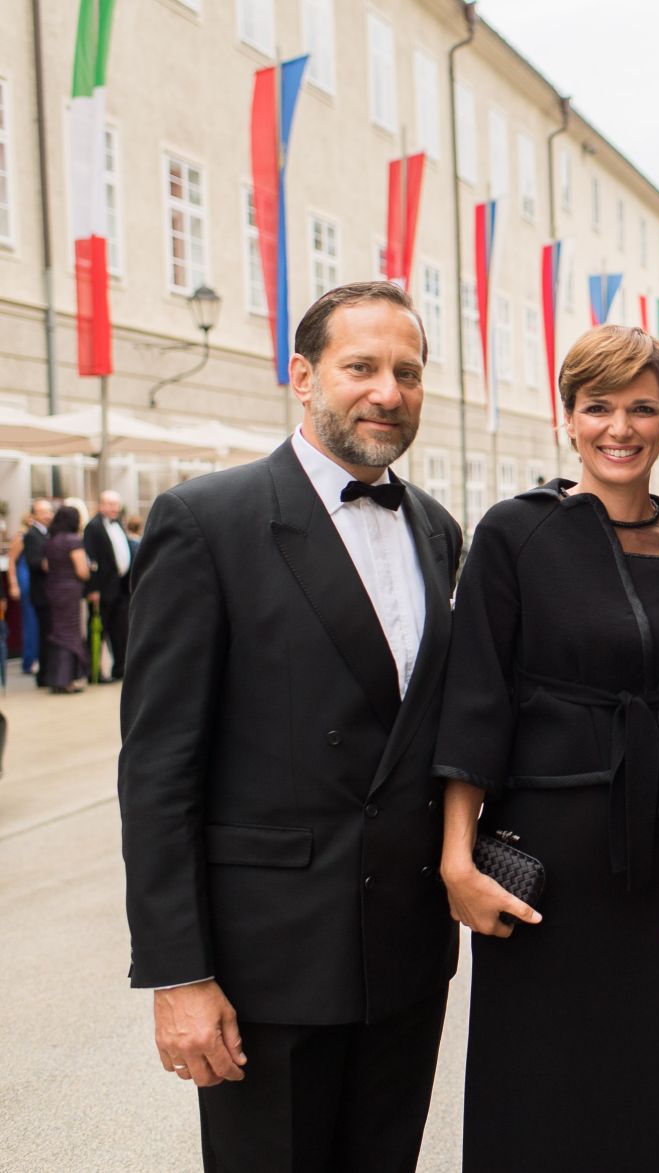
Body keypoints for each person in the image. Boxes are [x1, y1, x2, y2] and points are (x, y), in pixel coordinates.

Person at [118, 281, 463, 1173]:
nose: (388, 391)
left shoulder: (437, 530)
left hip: (404, 956)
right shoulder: (206, 521)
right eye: (362, 367)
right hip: (266, 968)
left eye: (408, 371)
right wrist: (179, 976)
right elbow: (158, 768)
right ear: (303, 376)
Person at [434, 325, 659, 1172]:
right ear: (567, 418)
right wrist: (457, 859)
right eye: (598, 406)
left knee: (656, 1084)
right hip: (542, 856)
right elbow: (474, 696)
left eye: (641, 408)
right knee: (536, 1088)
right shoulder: (515, 533)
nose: (620, 427)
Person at [40, 505, 92, 694]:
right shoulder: (73, 540)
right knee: (70, 634)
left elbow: (46, 566)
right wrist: (89, 569)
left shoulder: (50, 541)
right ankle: (66, 679)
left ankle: (56, 678)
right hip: (70, 591)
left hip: (53, 589)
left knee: (58, 633)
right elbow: (81, 571)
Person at [83, 489, 133, 681]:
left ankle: (120, 668)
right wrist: (93, 589)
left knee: (121, 629)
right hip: (102, 588)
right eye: (110, 504)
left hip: (120, 586)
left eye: (116, 505)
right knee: (98, 629)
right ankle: (93, 671)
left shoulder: (119, 524)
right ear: (101, 505)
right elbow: (90, 560)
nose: (114, 508)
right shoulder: (93, 527)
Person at [18, 498, 53, 682]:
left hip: (49, 591)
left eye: (49, 511)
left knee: (48, 634)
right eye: (43, 512)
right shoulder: (31, 535)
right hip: (40, 592)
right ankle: (43, 674)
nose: (48, 515)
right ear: (34, 515)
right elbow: (34, 562)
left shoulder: (47, 533)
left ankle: (47, 670)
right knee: (41, 632)